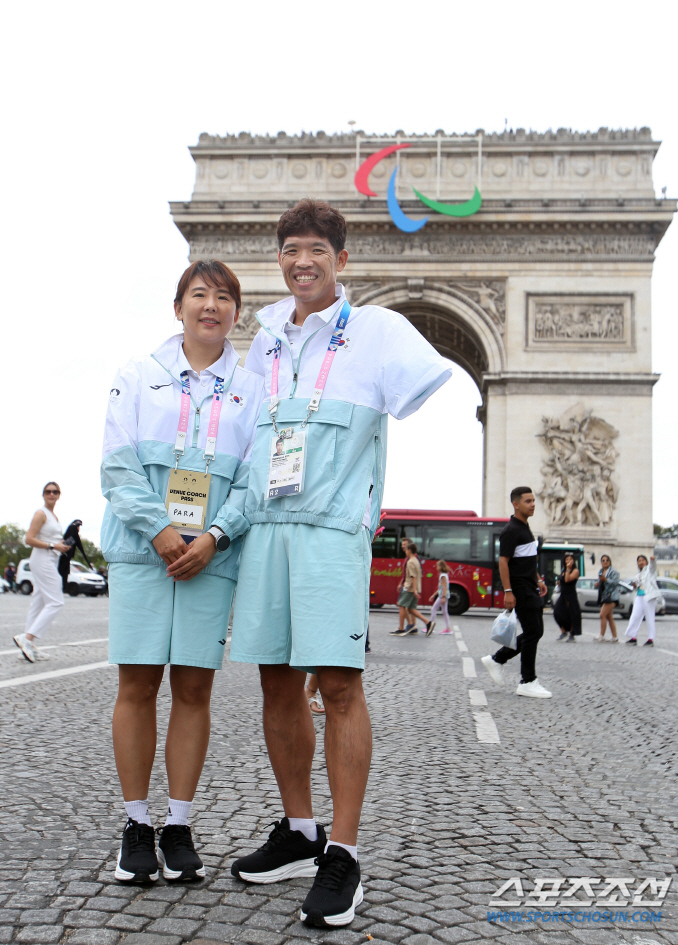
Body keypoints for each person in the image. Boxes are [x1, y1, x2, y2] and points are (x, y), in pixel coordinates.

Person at [228, 199, 451, 927]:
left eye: (317, 250)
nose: (303, 262)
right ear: (280, 258)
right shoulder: (260, 340)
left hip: (329, 533)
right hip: (266, 528)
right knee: (274, 681)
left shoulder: (380, 332)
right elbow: (242, 438)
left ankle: (344, 854)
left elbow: (422, 389)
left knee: (340, 686)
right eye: (291, 249)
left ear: (342, 260)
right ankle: (299, 830)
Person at [100, 260, 264, 884]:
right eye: (200, 295)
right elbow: (116, 466)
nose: (212, 306)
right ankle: (136, 823)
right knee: (137, 686)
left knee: (195, 692)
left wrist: (216, 536)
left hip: (211, 558)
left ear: (236, 314)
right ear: (178, 307)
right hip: (146, 553)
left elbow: (253, 481)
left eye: (224, 297)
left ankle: (179, 823)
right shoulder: (137, 376)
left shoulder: (253, 392)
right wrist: (163, 533)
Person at [480, 487, 551, 698]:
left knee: (534, 631)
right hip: (520, 588)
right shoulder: (511, 530)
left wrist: (538, 579)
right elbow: (503, 561)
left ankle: (498, 661)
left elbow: (527, 559)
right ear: (516, 504)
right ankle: (526, 680)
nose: (533, 504)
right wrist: (508, 591)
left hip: (530, 585)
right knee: (533, 632)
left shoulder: (525, 528)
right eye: (528, 501)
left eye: (533, 500)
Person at [14, 483, 70, 662]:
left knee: (38, 602)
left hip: (51, 558)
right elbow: (29, 539)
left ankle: (29, 645)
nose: (51, 494)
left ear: (59, 495)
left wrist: (63, 543)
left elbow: (51, 538)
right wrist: (54, 545)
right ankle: (27, 637)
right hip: (42, 558)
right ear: (43, 494)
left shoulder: (53, 516)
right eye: (48, 491)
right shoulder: (41, 513)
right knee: (56, 601)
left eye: (55, 492)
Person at [392, 543, 434, 636]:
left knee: (402, 605)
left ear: (409, 550)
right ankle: (428, 623)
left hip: (409, 588)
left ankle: (401, 628)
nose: (405, 552)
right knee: (411, 609)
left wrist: (413, 590)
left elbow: (412, 576)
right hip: (416, 587)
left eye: (406, 550)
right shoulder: (416, 560)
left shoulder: (410, 561)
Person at [625, 554, 659, 647]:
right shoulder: (638, 574)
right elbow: (638, 585)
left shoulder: (650, 570)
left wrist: (653, 560)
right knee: (635, 616)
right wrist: (635, 586)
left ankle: (650, 639)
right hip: (639, 596)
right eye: (639, 561)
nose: (641, 562)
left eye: (643, 560)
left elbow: (653, 566)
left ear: (646, 562)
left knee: (649, 617)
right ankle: (633, 637)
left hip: (648, 596)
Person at [58, 519, 92, 592]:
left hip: (65, 560)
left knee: (63, 575)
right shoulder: (72, 536)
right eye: (78, 527)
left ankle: (62, 588)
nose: (78, 529)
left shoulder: (71, 536)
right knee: (62, 574)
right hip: (63, 559)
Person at [554, 552, 582, 641]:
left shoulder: (575, 570)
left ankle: (572, 633)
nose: (568, 561)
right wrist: (558, 583)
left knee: (572, 614)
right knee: (557, 612)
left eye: (570, 559)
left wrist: (568, 569)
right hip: (563, 594)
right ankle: (563, 631)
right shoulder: (564, 570)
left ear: (573, 561)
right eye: (567, 559)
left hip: (571, 595)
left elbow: (567, 579)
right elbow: (562, 580)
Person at [593, 554, 620, 642]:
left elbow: (616, 583)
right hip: (604, 596)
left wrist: (606, 580)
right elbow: (599, 583)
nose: (605, 562)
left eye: (607, 560)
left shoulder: (614, 571)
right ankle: (615, 636)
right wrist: (597, 584)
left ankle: (601, 635)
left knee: (602, 614)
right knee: (609, 617)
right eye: (603, 560)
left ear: (610, 562)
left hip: (612, 596)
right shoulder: (600, 571)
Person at [428, 560, 452, 634]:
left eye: (437, 566)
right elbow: (440, 587)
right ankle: (448, 629)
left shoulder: (443, 576)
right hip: (443, 595)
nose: (436, 568)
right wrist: (433, 595)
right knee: (444, 612)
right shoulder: (444, 575)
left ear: (441, 567)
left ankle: (431, 627)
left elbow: (444, 587)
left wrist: (443, 597)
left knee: (434, 609)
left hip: (442, 596)